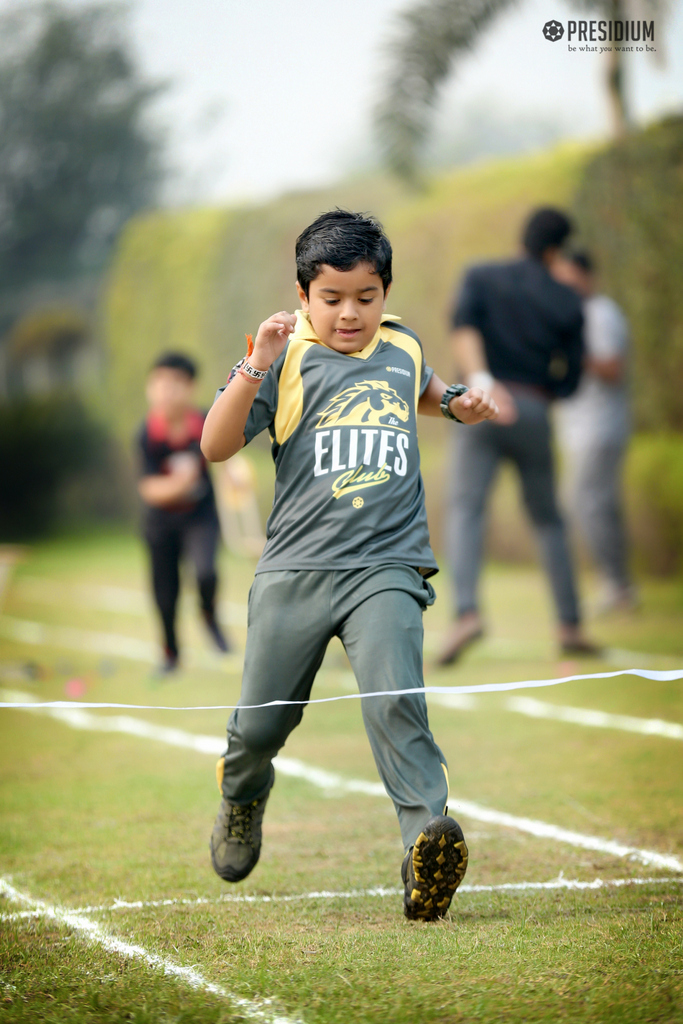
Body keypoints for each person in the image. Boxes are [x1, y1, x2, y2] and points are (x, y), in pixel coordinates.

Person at [201, 209, 498, 921]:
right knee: (259, 727)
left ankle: (424, 839)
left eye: (365, 297)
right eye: (331, 299)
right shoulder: (282, 358)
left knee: (396, 699)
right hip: (294, 571)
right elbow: (214, 444)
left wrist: (461, 404)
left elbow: (423, 391)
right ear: (302, 295)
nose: (349, 314)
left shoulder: (400, 347)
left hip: (386, 566)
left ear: (385, 291)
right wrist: (255, 364)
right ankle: (242, 797)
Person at [439, 207, 599, 665]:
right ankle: (569, 624)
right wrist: (539, 397)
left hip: (478, 403)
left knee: (467, 509)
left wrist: (484, 382)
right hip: (530, 407)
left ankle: (467, 612)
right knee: (548, 519)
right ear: (556, 250)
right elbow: (571, 377)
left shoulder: (482, 276)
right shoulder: (567, 299)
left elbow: (462, 326)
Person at [553, 251, 636, 612]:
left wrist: (572, 356)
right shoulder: (574, 315)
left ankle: (617, 586)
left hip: (601, 428)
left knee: (586, 503)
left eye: (571, 278)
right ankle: (618, 584)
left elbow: (613, 367)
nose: (565, 286)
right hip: (580, 428)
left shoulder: (600, 313)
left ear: (587, 277)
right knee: (598, 505)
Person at [137, 352, 229, 674]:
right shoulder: (148, 432)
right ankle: (171, 654)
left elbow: (227, 459)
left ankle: (209, 615)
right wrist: (179, 484)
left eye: (175, 384)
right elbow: (148, 488)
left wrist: (237, 477)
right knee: (165, 593)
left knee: (206, 572)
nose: (166, 391)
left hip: (200, 516)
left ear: (190, 388)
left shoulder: (205, 422)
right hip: (160, 522)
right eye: (160, 383)